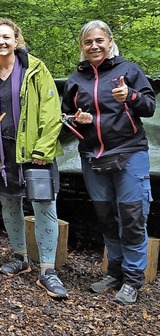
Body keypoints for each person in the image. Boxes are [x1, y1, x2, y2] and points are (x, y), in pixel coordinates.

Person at [0, 18, 67, 298]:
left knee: (44, 207)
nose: (1, 42)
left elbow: (51, 112)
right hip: (2, 154)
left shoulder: (35, 70)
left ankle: (48, 269)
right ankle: (20, 257)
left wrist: (42, 150)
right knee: (9, 203)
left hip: (35, 154)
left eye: (6, 37)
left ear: (16, 40)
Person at [62, 20, 155, 305]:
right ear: (82, 46)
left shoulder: (129, 71)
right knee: (106, 216)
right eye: (88, 42)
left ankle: (133, 279)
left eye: (99, 40)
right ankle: (114, 272)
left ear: (110, 40)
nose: (94, 46)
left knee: (132, 216)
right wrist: (78, 121)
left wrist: (132, 95)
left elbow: (149, 106)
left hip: (129, 153)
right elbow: (65, 121)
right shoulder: (75, 80)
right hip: (93, 157)